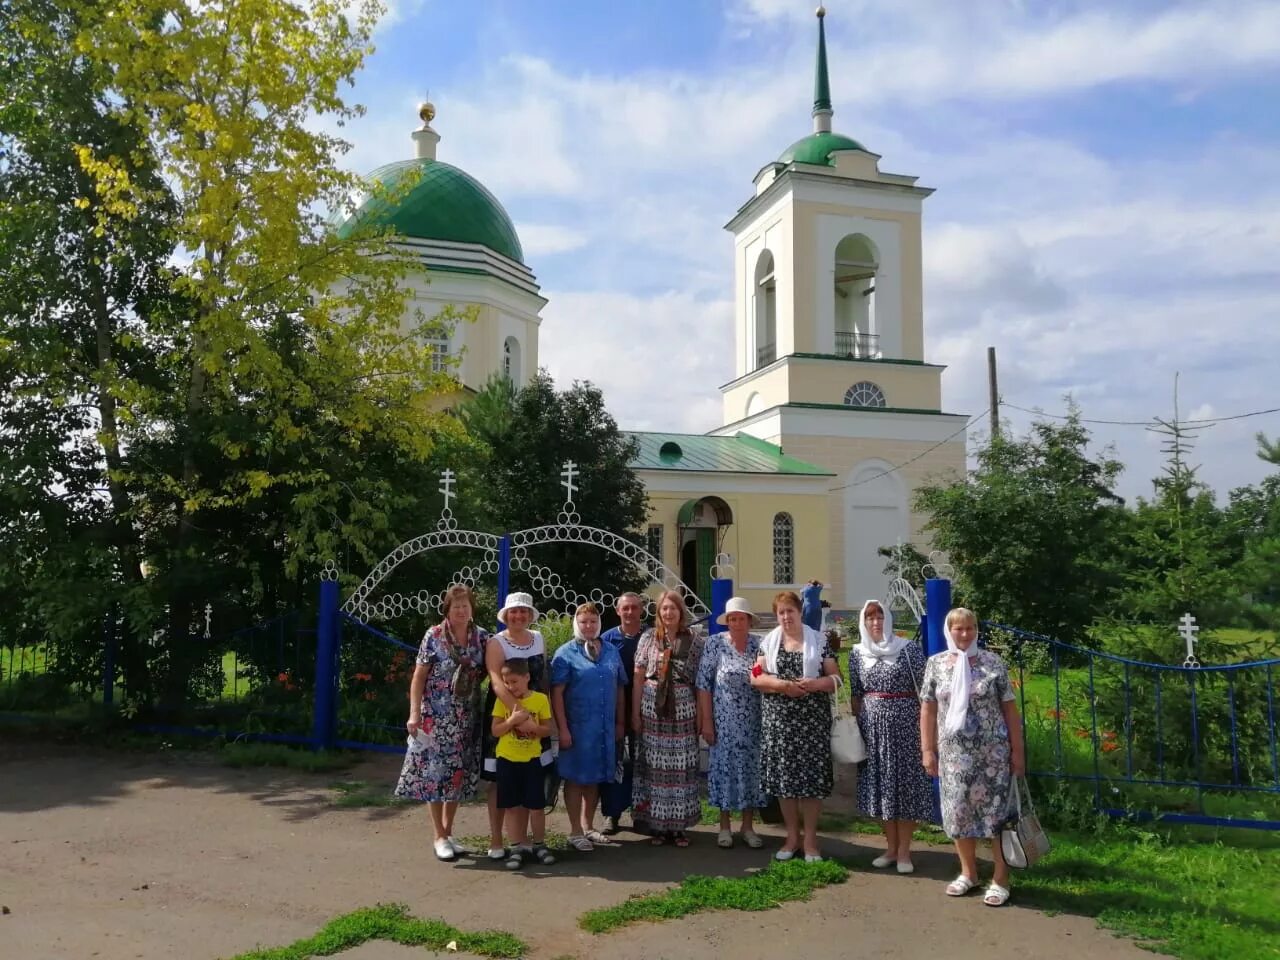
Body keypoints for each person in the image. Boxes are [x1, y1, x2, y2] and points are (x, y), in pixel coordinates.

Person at [920, 607, 1025, 907]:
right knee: (958, 814)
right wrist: (928, 750)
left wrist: (1018, 752)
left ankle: (1001, 878)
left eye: (970, 628)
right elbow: (927, 709)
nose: (965, 634)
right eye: (958, 629)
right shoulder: (936, 664)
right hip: (953, 758)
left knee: (996, 818)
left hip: (993, 757)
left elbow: (1009, 709)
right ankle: (969, 873)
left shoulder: (993, 662)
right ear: (948, 631)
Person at [396, 584, 489, 862]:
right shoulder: (434, 635)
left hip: (466, 718)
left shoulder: (481, 638)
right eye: (456, 605)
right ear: (447, 609)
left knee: (457, 775)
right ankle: (439, 835)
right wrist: (414, 714)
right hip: (435, 717)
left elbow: (487, 670)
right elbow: (419, 677)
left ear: (472, 608)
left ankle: (448, 833)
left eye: (466, 605)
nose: (461, 610)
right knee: (434, 776)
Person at [752, 590, 841, 862]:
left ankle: (811, 840)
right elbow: (756, 677)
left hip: (812, 722)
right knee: (785, 782)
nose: (786, 616)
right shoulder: (768, 643)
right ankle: (791, 838)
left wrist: (815, 684)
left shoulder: (819, 641)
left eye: (790, 611)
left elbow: (836, 678)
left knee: (811, 781)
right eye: (781, 612)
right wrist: (782, 686)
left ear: (800, 612)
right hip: (779, 722)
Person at [847, 598, 933, 873]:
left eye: (880, 617)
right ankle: (891, 848)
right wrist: (858, 727)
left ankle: (905, 852)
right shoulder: (857, 653)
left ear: (888, 620)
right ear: (863, 622)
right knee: (880, 786)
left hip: (905, 727)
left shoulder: (909, 650)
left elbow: (926, 694)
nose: (875, 622)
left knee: (905, 787)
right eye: (870, 618)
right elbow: (856, 694)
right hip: (872, 730)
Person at [550, 602, 628, 852]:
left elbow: (619, 687)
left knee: (593, 778)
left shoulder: (611, 651)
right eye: (583, 622)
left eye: (593, 621)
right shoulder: (565, 653)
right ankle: (574, 831)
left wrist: (620, 721)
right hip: (577, 728)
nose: (588, 626)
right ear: (576, 623)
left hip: (603, 728)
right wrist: (562, 728)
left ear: (599, 624)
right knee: (574, 778)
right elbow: (557, 693)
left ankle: (588, 826)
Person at [631, 590, 705, 847]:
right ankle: (659, 826)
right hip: (652, 707)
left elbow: (699, 681)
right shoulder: (648, 638)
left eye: (673, 608)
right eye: (664, 608)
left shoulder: (694, 641)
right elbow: (639, 676)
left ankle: (679, 827)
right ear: (658, 613)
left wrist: (701, 718)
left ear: (681, 612)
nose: (669, 613)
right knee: (656, 767)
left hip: (683, 708)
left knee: (681, 767)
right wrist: (635, 712)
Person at [481, 591, 551, 861]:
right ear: (506, 615)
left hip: (535, 712)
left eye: (524, 611)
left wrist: (541, 717)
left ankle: (523, 843)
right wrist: (518, 713)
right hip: (505, 712)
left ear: (530, 615)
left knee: (528, 777)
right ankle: (497, 839)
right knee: (501, 780)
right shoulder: (496, 642)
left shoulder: (539, 639)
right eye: (514, 611)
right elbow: (497, 682)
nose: (519, 616)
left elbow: (541, 677)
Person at [696, 596, 766, 849]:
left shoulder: (759, 645)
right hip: (723, 722)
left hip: (754, 722)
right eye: (732, 618)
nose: (737, 622)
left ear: (749, 621)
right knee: (724, 772)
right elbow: (704, 685)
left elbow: (765, 677)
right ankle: (724, 826)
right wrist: (707, 721)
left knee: (750, 772)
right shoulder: (715, 644)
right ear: (727, 621)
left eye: (741, 618)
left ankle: (748, 827)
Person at [491, 658, 557, 870]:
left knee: (536, 807)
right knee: (511, 807)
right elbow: (495, 730)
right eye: (506, 682)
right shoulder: (502, 700)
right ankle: (516, 847)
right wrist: (511, 721)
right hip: (507, 760)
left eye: (514, 682)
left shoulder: (539, 700)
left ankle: (539, 845)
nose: (511, 687)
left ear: (527, 677)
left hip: (532, 761)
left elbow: (547, 730)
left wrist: (532, 727)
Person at [599, 592, 647, 834]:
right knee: (614, 763)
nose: (630, 612)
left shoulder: (650, 637)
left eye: (634, 608)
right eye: (625, 608)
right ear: (618, 611)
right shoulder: (607, 639)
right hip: (614, 712)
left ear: (641, 610)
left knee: (642, 764)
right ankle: (611, 814)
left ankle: (641, 813)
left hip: (646, 712)